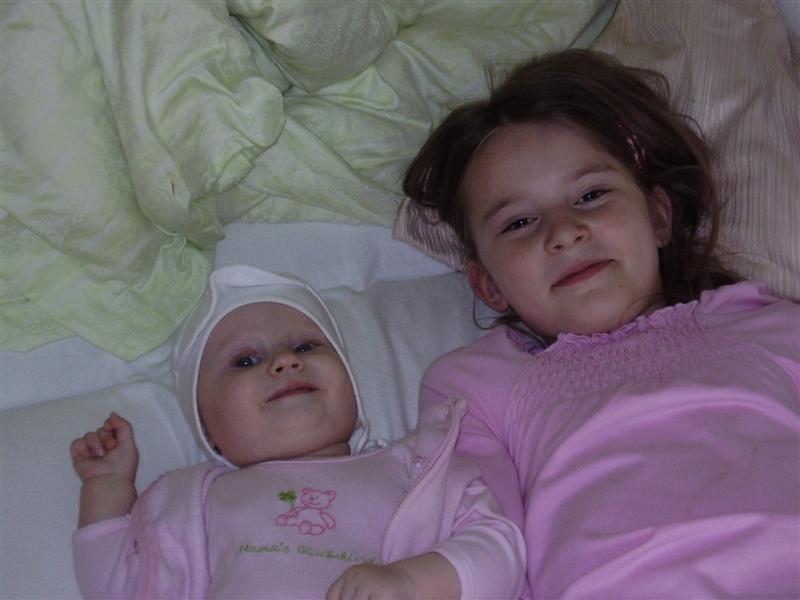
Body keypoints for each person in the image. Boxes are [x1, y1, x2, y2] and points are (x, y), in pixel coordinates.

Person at [403, 49, 800, 598]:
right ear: (488, 284)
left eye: (591, 196)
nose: (564, 232)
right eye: (519, 222)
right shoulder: (476, 387)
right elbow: (479, 539)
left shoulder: (772, 329)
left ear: (657, 217)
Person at [69, 265, 525, 600]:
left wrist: (412, 582)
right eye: (245, 361)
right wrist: (107, 488)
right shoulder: (196, 501)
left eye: (307, 346)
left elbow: (500, 550)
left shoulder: (416, 469)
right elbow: (120, 586)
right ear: (206, 426)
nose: (285, 361)